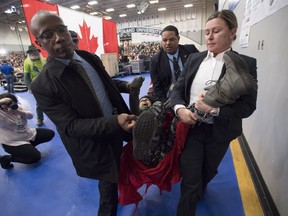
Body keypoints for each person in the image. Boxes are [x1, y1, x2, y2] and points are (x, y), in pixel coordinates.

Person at [29, 10, 136, 216]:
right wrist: (115, 122)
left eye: (62, 30)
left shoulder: (89, 58)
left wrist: (126, 86)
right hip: (96, 140)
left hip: (119, 125)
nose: (59, 38)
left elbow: (102, 84)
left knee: (124, 165)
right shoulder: (43, 85)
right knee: (108, 186)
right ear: (38, 43)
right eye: (48, 35)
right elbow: (71, 126)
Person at [169, 10, 258, 216]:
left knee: (207, 173)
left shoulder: (246, 64)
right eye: (207, 31)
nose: (209, 36)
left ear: (232, 32)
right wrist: (180, 109)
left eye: (216, 31)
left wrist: (215, 109)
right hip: (191, 130)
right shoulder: (194, 59)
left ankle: (201, 187)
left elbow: (248, 107)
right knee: (190, 181)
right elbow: (177, 92)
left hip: (220, 133)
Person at [69, 29, 145, 115]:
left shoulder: (91, 59)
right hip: (91, 123)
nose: (73, 44)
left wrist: (127, 86)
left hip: (114, 116)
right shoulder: (55, 76)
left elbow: (105, 82)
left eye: (75, 41)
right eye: (69, 41)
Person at [0, 93, 55, 169]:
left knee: (49, 134)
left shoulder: (16, 108)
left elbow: (30, 116)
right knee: (35, 157)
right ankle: (7, 158)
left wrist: (17, 111)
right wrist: (1, 101)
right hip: (12, 142)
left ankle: (28, 149)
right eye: (5, 105)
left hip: (27, 134)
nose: (7, 107)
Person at [149, 25, 199, 102]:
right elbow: (157, 87)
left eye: (171, 39)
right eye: (165, 40)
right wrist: (165, 105)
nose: (168, 43)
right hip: (170, 97)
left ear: (178, 39)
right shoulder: (155, 60)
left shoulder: (191, 50)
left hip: (193, 91)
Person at [23, 45, 47, 126]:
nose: (33, 53)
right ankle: (40, 119)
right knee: (39, 104)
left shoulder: (44, 60)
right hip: (37, 86)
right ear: (29, 53)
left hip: (48, 84)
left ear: (38, 51)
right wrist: (30, 87)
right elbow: (26, 76)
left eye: (34, 51)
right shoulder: (27, 62)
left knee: (54, 101)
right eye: (31, 52)